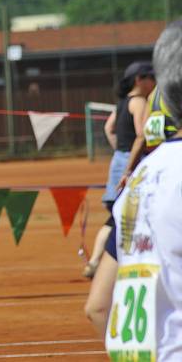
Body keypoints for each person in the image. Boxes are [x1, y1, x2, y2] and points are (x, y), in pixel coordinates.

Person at [107, 19, 182, 360]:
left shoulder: (142, 177)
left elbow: (97, 307)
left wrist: (127, 166)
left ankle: (96, 257)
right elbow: (139, 134)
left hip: (134, 171)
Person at [83, 61, 155, 278]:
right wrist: (135, 160)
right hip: (133, 164)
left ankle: (96, 261)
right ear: (139, 80)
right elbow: (142, 134)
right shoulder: (140, 101)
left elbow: (109, 128)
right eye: (150, 78)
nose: (154, 82)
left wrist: (120, 152)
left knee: (117, 215)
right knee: (126, 216)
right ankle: (102, 262)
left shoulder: (122, 102)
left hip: (119, 160)